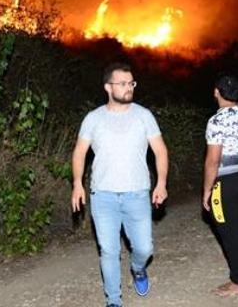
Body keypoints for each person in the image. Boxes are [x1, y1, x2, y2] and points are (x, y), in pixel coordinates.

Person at [71, 62, 169, 307]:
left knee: (144, 248)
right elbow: (79, 153)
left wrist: (161, 183)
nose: (129, 88)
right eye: (123, 84)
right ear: (108, 87)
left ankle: (138, 268)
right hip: (103, 196)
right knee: (109, 251)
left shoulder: (144, 116)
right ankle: (113, 300)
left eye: (131, 83)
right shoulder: (93, 119)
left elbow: (160, 151)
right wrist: (77, 183)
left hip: (137, 194)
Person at [203, 74, 238, 296]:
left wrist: (207, 189)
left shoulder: (216, 122)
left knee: (228, 229)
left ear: (216, 92)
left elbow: (213, 160)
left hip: (226, 181)